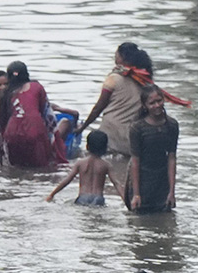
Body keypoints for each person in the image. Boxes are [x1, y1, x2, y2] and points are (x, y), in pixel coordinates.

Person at [77, 42, 188, 192]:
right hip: (132, 138)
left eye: (116, 55)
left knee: (101, 176)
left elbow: (99, 107)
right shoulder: (145, 81)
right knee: (126, 176)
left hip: (110, 136)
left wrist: (82, 127)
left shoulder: (114, 79)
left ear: (122, 58)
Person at [0, 61, 56, 168]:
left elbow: (2, 121)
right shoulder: (36, 87)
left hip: (12, 133)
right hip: (34, 130)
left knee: (17, 168)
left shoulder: (7, 94)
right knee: (41, 168)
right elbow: (45, 112)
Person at [127, 86, 179, 212]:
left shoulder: (171, 125)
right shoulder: (137, 128)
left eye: (159, 101)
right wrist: (136, 194)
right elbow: (135, 160)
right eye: (152, 103)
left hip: (162, 182)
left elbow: (171, 157)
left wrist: (172, 192)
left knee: (166, 221)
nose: (157, 105)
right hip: (142, 180)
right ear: (145, 106)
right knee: (140, 223)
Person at [45, 131, 126, 206]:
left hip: (82, 197)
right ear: (105, 148)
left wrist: (52, 194)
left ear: (87, 146)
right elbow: (116, 184)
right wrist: (126, 201)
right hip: (98, 199)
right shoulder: (106, 165)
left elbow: (67, 180)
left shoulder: (80, 163)